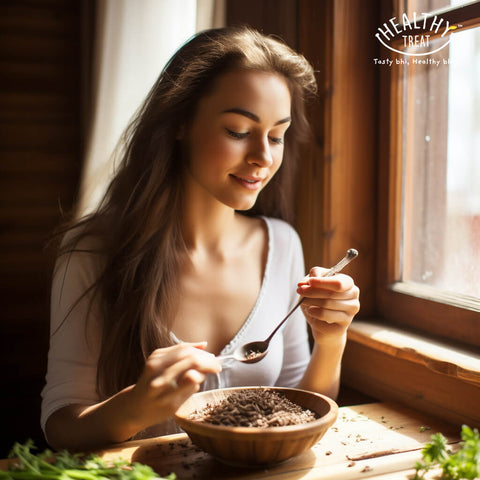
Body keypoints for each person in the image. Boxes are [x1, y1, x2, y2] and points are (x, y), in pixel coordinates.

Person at [41, 26, 360, 451]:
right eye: (237, 130)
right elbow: (61, 428)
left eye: (277, 135)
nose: (263, 157)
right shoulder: (91, 251)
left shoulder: (280, 244)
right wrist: (136, 406)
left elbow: (301, 405)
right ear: (181, 123)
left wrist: (331, 339)